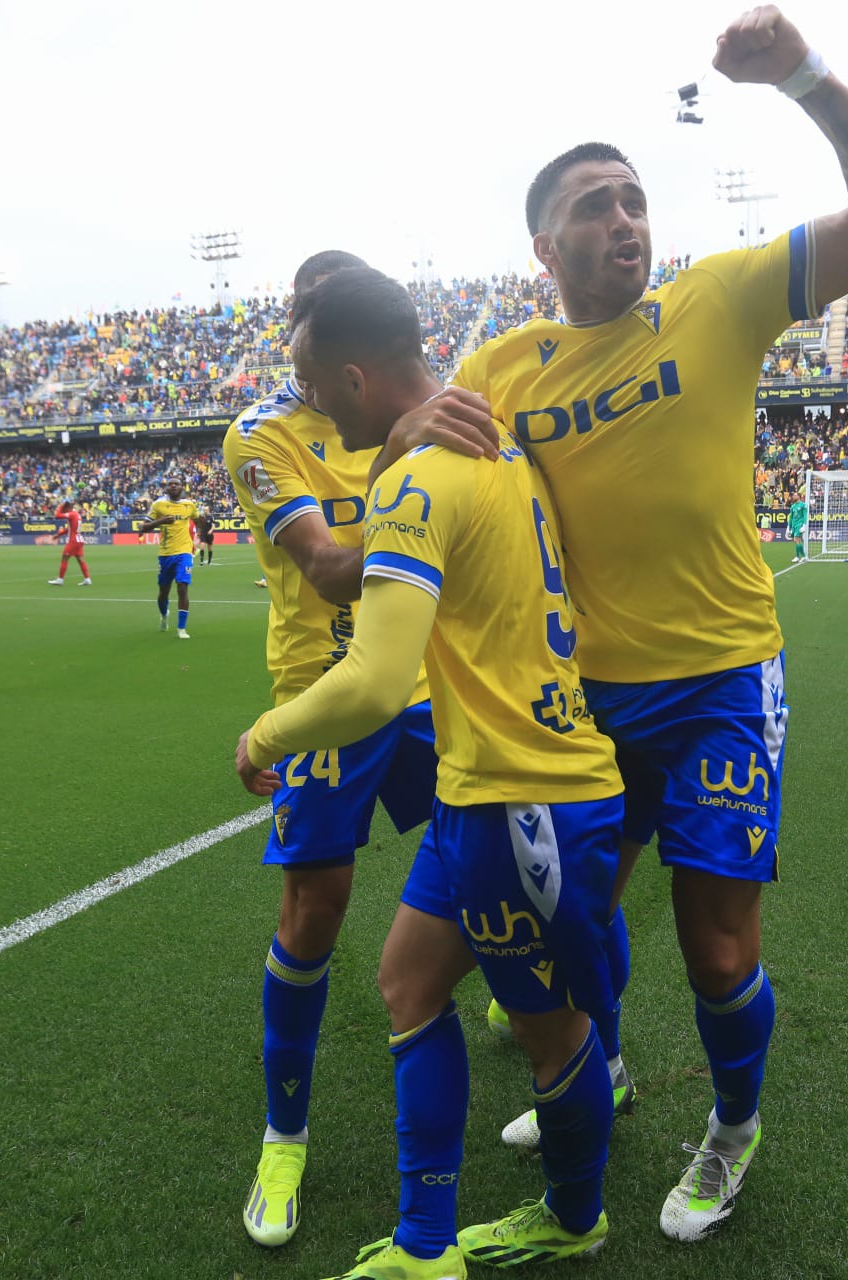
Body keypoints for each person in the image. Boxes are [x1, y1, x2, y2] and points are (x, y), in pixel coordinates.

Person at [377, 3, 848, 1240]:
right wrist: (407, 432)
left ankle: (734, 1128)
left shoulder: (720, 299)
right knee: (575, 923)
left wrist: (805, 76)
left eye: (634, 199)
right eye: (594, 205)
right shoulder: (504, 365)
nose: (625, 219)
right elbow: (417, 458)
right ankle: (613, 1069)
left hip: (721, 682)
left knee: (719, 950)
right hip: (579, 706)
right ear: (545, 245)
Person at [238, 267, 624, 1276]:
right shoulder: (492, 439)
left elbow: (372, 681)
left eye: (319, 382)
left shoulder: (420, 474)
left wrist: (264, 736)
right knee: (408, 981)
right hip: (489, 781)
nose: (312, 401)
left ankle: (574, 1215)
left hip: (521, 794)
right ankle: (423, 1243)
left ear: (358, 377)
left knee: (553, 1031)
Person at [219, 251, 438, 1250]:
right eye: (298, 313)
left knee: (526, 868)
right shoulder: (261, 434)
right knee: (316, 906)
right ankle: (284, 1133)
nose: (301, 336)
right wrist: (404, 453)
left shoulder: (401, 398)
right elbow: (328, 569)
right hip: (325, 695)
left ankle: (579, 1048)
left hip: (433, 686)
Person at [137, 481, 197, 637]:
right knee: (164, 591)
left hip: (184, 552)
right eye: (170, 484)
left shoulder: (189, 505)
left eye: (177, 484)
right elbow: (143, 527)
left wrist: (202, 536)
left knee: (182, 587)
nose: (174, 486)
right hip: (165, 554)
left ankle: (181, 628)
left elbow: (198, 519)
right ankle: (164, 615)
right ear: (167, 489)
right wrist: (161, 521)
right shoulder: (158, 505)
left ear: (182, 488)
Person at [47, 501, 91, 586]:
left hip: (74, 540)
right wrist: (58, 535)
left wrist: (61, 506)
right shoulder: (77, 515)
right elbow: (69, 529)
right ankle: (87, 579)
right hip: (79, 539)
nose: (64, 511)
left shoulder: (72, 514)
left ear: (68, 508)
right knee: (80, 560)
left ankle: (60, 579)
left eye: (65, 509)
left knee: (65, 557)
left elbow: (57, 515)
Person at [788, 494, 808, 560]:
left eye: (795, 495)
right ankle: (798, 556)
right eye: (793, 495)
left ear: (799, 496)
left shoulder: (803, 505)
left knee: (797, 539)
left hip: (799, 524)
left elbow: (805, 516)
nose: (793, 496)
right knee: (796, 540)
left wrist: (804, 525)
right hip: (794, 525)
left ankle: (803, 556)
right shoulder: (793, 506)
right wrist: (789, 527)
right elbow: (791, 517)